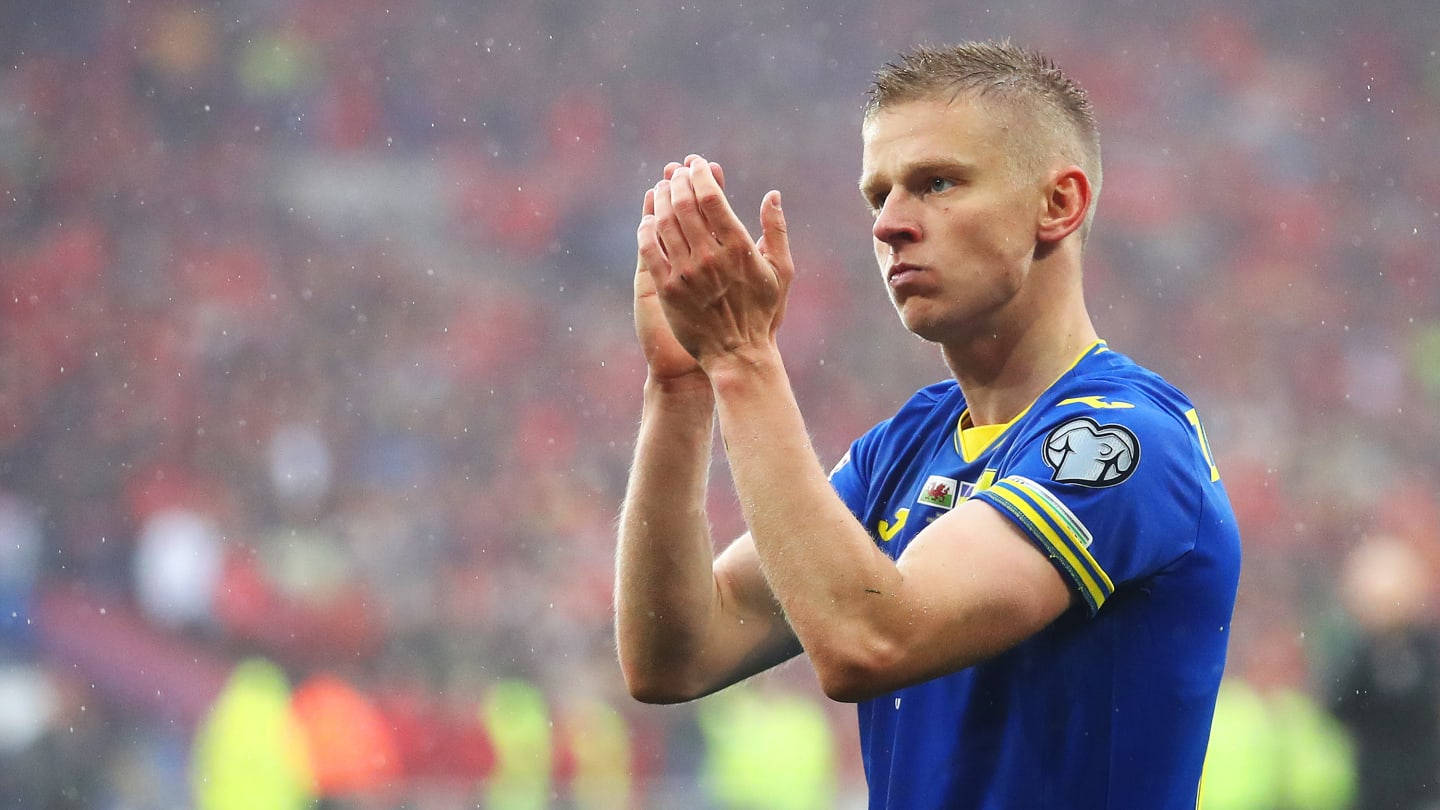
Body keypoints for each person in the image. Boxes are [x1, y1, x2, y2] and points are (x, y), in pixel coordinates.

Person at [614, 40, 1241, 809]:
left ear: (1058, 205)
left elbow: (870, 640)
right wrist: (681, 386)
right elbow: (674, 654)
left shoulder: (1126, 441)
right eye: (878, 197)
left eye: (936, 183)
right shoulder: (904, 449)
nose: (889, 226)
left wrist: (744, 359)